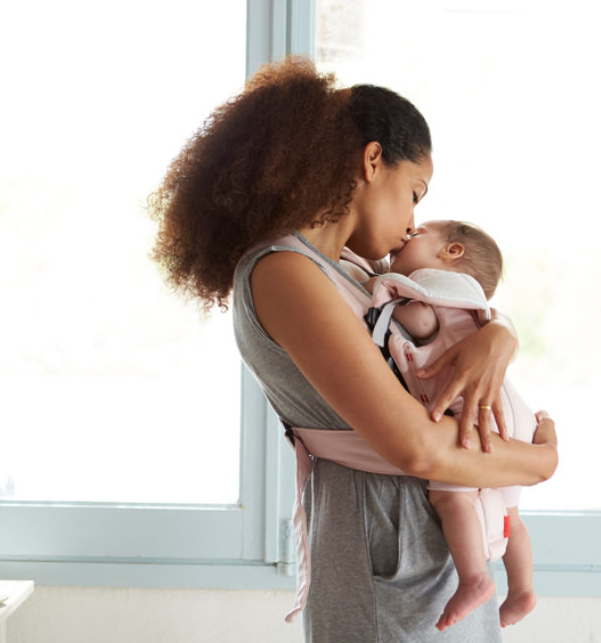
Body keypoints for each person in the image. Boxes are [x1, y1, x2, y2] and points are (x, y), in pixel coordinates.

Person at [149, 57, 557, 642]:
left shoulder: (350, 270)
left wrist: (499, 332)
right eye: (415, 193)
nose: (415, 222)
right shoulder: (284, 272)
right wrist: (540, 462)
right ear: (372, 161)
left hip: (433, 548)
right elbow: (415, 444)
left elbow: (437, 314)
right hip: (388, 553)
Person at [369, 219, 539, 630]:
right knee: (510, 513)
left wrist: (393, 314)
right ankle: (522, 589)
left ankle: (475, 579)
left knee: (452, 499)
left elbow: (424, 321)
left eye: (419, 233)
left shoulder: (428, 288)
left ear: (452, 253)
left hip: (474, 412)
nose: (406, 233)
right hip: (513, 412)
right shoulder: (472, 301)